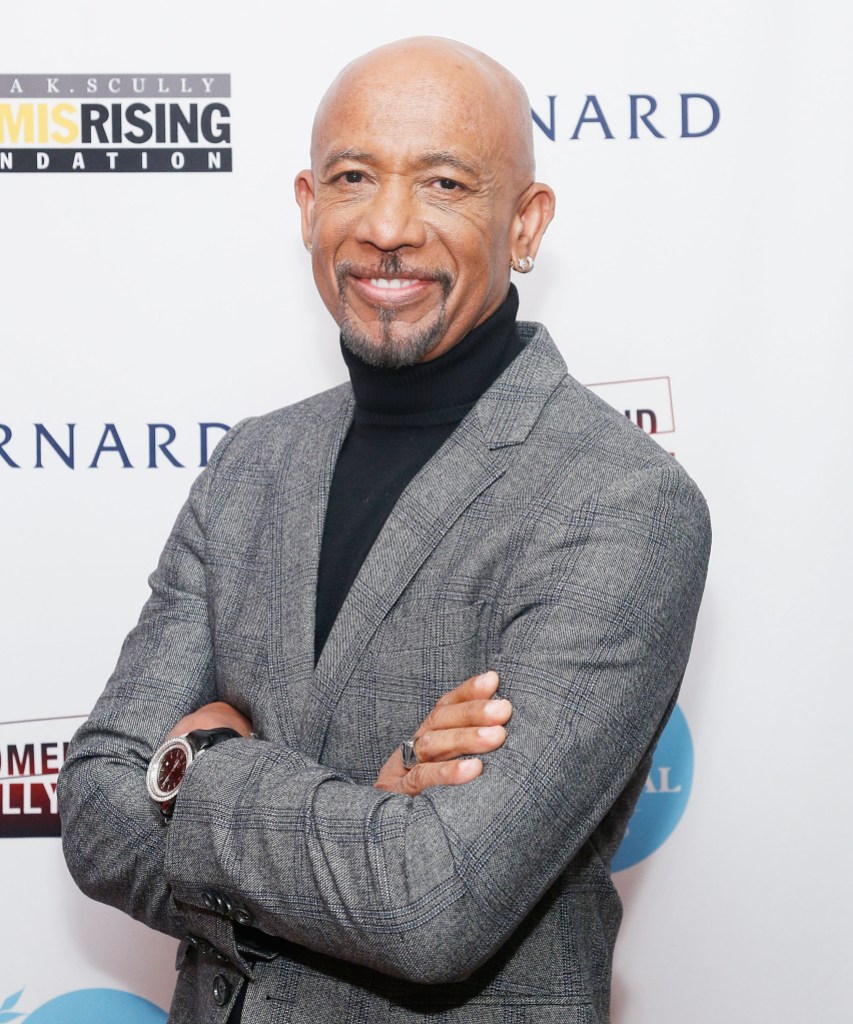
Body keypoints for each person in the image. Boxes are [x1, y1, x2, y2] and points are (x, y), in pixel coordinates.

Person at [58, 36, 711, 1024]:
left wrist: (202, 764)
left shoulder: (619, 501)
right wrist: (367, 808)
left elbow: (432, 903)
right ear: (308, 205)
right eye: (353, 176)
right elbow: (96, 815)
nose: (389, 226)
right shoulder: (251, 467)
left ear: (524, 222)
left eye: (444, 182)